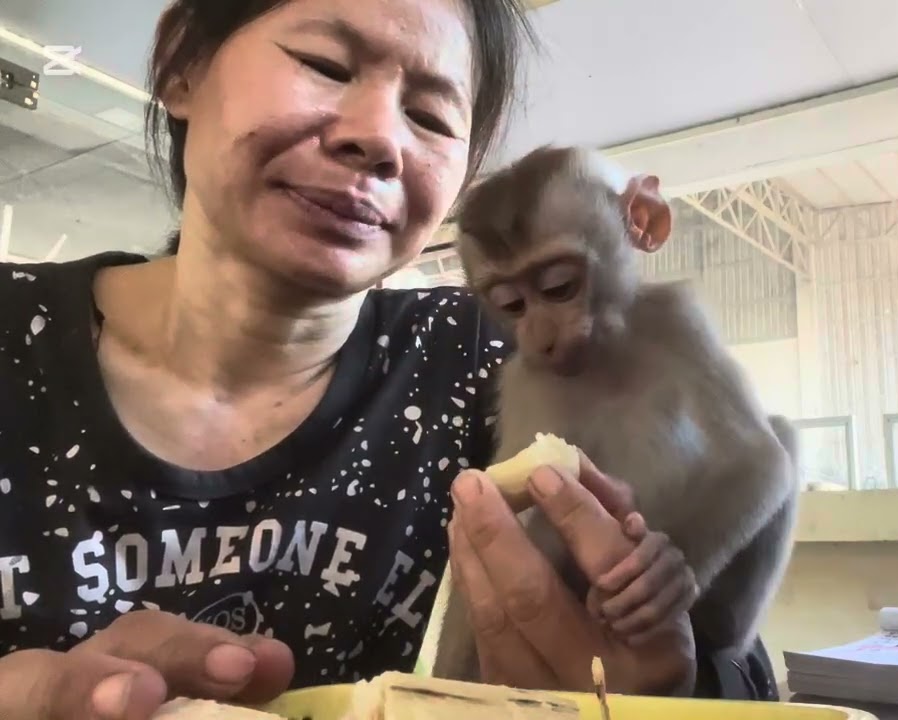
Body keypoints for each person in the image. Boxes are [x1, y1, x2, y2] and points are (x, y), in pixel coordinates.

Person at [0, 0, 780, 718]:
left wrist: (661, 689)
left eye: (432, 116)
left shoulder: (492, 358)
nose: (378, 135)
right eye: (327, 66)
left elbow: (726, 652)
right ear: (182, 65)